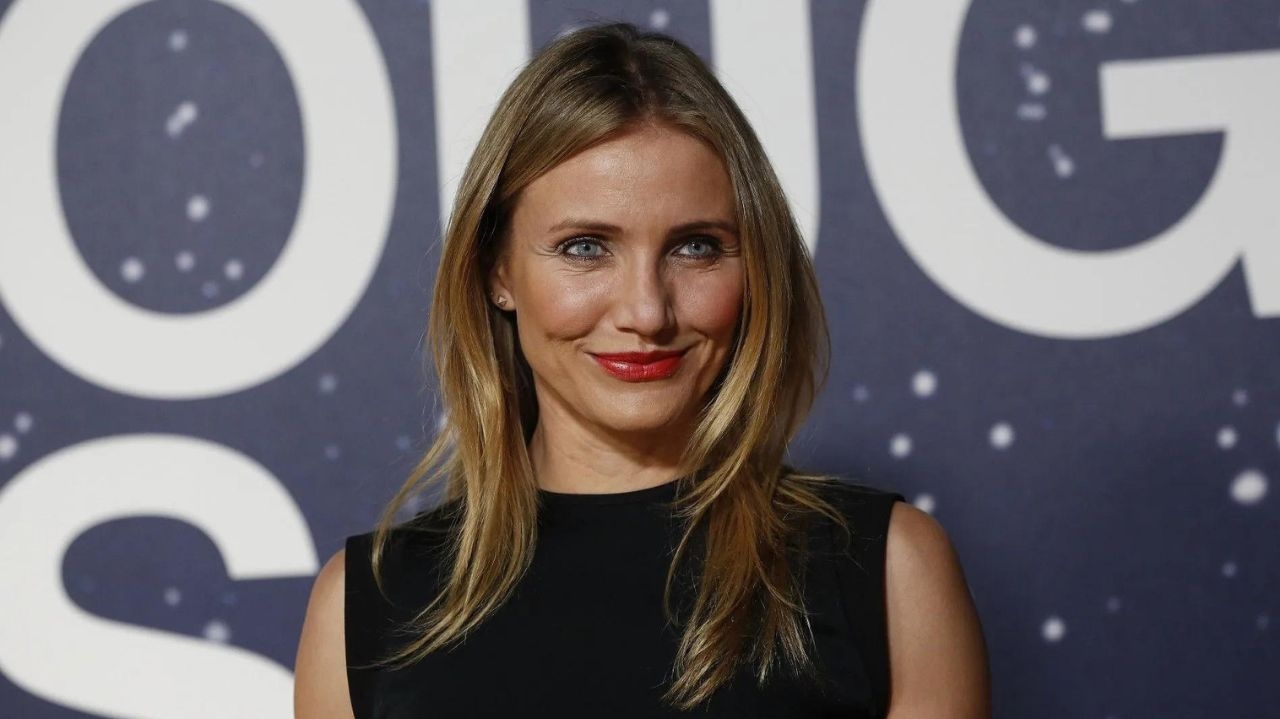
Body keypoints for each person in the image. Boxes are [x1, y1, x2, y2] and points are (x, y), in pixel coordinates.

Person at [294, 21, 989, 718]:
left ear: (756, 268)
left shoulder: (886, 572)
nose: (647, 311)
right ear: (496, 271)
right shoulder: (366, 608)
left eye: (696, 247)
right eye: (585, 247)